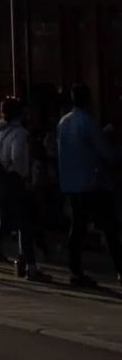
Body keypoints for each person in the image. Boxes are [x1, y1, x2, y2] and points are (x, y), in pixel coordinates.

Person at [0, 98, 49, 282]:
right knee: (9, 225)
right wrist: (21, 172)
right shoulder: (19, 133)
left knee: (23, 224)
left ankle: (30, 267)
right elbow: (18, 157)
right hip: (13, 182)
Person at [56, 82, 122, 288]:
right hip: (92, 182)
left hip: (71, 182)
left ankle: (75, 270)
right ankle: (120, 268)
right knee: (109, 228)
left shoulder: (63, 122)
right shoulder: (87, 122)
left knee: (77, 228)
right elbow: (106, 153)